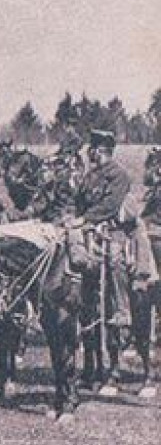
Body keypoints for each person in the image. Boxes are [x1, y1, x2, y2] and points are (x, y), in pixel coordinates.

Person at [73, 127, 141, 331]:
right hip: (87, 226)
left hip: (113, 229)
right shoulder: (90, 175)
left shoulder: (118, 174)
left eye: (91, 149)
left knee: (114, 259)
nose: (88, 153)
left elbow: (110, 205)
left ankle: (122, 309)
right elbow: (79, 200)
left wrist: (86, 219)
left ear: (101, 150)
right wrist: (75, 218)